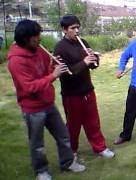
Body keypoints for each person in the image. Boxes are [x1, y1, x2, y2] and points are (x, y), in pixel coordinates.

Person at [7, 19, 85, 180]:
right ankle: (41, 172)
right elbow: (29, 87)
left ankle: (68, 162)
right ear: (26, 38)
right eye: (36, 36)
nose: (40, 38)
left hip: (48, 103)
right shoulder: (16, 61)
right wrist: (53, 75)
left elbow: (46, 70)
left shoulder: (39, 49)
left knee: (63, 136)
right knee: (37, 145)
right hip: (32, 109)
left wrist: (54, 66)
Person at [54, 15, 114, 158]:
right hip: (71, 93)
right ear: (64, 30)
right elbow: (66, 72)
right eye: (73, 28)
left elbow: (93, 66)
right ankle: (72, 151)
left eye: (78, 27)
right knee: (73, 126)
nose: (77, 31)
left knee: (93, 122)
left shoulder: (83, 42)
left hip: (87, 90)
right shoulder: (60, 48)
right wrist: (84, 62)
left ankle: (100, 147)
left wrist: (94, 59)